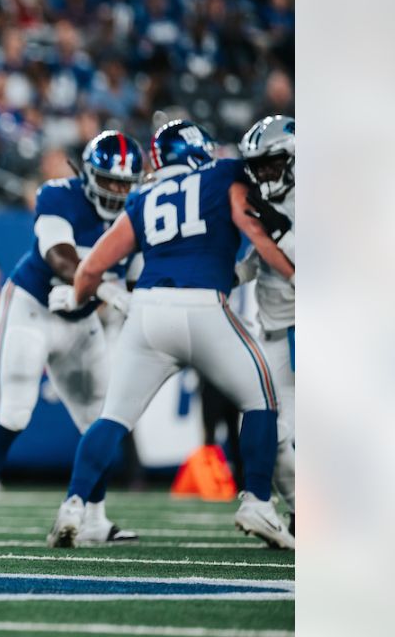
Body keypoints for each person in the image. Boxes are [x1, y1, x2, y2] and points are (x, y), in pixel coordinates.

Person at [47, 119, 295, 550]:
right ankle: (257, 501)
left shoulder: (143, 194)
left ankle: (72, 505)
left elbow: (91, 267)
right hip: (204, 308)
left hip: (146, 313)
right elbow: (251, 225)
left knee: (113, 417)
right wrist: (296, 273)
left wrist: (77, 295)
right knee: (262, 401)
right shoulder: (222, 174)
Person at [0, 131, 143, 546]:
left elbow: (139, 279)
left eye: (125, 183)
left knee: (101, 419)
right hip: (32, 310)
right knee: (14, 413)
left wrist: (125, 295)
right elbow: (59, 257)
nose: (117, 190)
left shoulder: (141, 211)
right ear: (88, 174)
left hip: (82, 320)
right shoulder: (60, 195)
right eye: (109, 180)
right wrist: (105, 288)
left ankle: (95, 519)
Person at [235, 114, 296, 534]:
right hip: (273, 329)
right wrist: (231, 276)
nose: (263, 174)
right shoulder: (271, 203)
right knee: (268, 428)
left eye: (271, 163)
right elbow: (263, 259)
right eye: (257, 166)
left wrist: (274, 226)